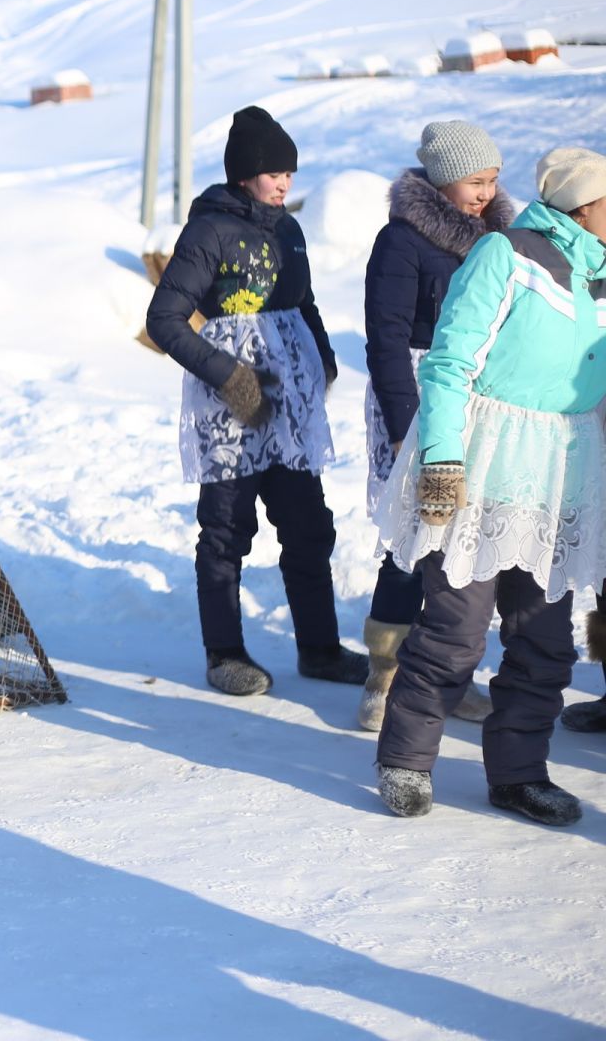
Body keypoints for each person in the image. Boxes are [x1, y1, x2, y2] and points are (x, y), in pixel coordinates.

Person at [374, 147, 606, 826]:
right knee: (455, 633)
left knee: (546, 641)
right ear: (584, 206)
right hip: (484, 464)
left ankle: (518, 773)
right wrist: (442, 461)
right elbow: (447, 365)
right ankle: (406, 759)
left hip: (560, 476)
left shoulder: (602, 277)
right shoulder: (507, 255)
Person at [146, 106, 366, 696]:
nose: (286, 183)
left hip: (288, 407)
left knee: (309, 526)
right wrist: (230, 378)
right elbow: (164, 320)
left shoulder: (287, 229)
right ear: (246, 172)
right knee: (226, 529)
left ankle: (319, 649)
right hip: (230, 408)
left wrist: (321, 358)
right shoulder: (208, 231)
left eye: (291, 174)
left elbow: (306, 301)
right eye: (276, 173)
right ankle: (224, 654)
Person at [356, 121, 514, 730]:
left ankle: (449, 676)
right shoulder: (401, 241)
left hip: (476, 400)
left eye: (493, 179)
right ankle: (385, 674)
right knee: (409, 534)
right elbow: (386, 340)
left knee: (460, 536)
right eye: (475, 180)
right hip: (418, 396)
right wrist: (401, 426)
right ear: (444, 180)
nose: (486, 191)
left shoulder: (500, 239)